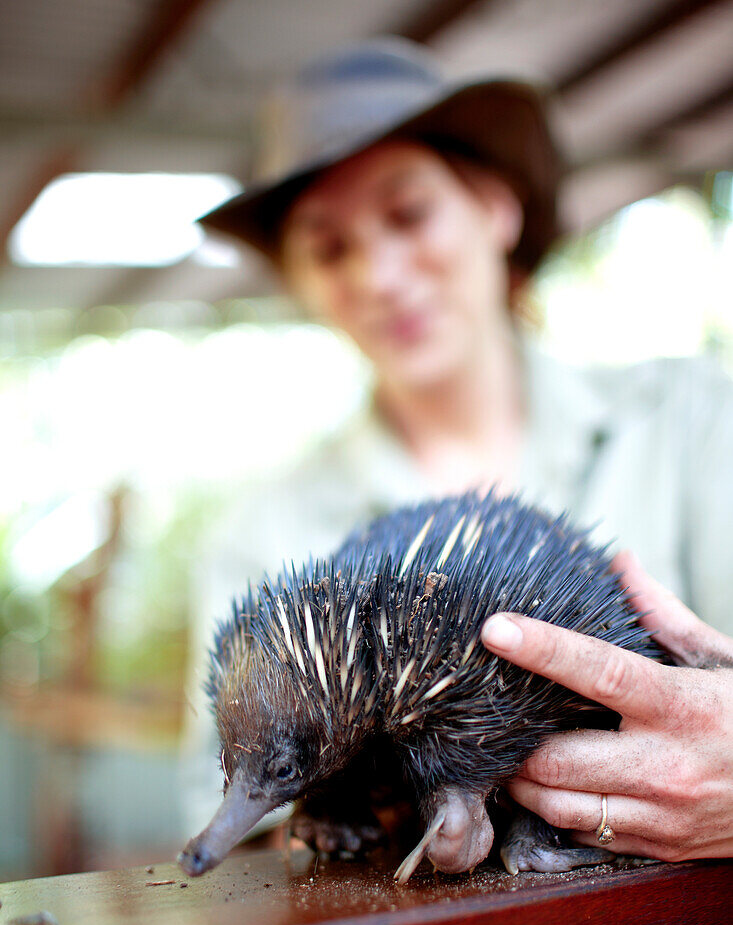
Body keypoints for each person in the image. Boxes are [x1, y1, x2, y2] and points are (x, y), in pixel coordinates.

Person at [181, 37, 733, 864]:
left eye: (408, 214)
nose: (379, 273)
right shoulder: (259, 536)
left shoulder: (699, 419)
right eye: (330, 247)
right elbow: (255, 844)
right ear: (300, 279)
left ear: (495, 208)